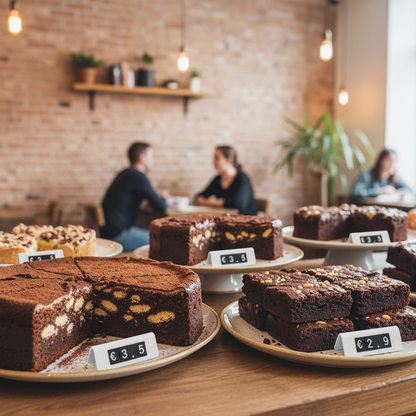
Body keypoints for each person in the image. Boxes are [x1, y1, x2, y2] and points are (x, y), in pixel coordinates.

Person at [100, 142, 168, 251]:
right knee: (163, 239)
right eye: (152, 157)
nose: (153, 161)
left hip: (107, 232)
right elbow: (161, 206)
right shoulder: (138, 176)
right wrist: (163, 197)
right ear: (142, 158)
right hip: (118, 236)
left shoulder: (125, 173)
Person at [195, 145, 257, 215]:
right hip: (226, 220)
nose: (213, 161)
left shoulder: (242, 178)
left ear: (229, 160)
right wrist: (219, 202)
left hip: (246, 222)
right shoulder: (217, 179)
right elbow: (199, 198)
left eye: (217, 158)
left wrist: (210, 202)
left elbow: (237, 204)